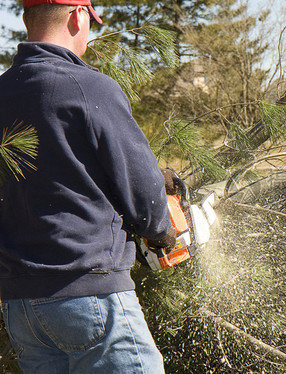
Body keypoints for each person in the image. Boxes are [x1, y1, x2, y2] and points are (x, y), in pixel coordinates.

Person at [0, 1, 175, 373]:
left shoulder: (3, 92)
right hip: (90, 295)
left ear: (26, 18)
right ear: (79, 15)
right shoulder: (89, 86)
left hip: (22, 307)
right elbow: (145, 196)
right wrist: (162, 233)